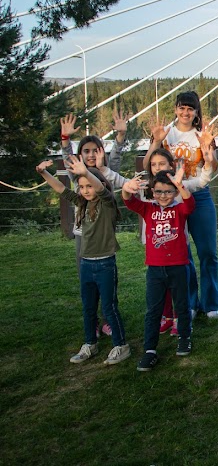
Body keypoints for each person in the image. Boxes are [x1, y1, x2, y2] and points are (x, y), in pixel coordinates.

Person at [37, 156, 129, 366]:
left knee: (109, 307)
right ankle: (90, 344)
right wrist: (43, 173)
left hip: (105, 264)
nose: (86, 190)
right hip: (86, 264)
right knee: (88, 307)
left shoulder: (107, 203)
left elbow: (101, 190)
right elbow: (60, 188)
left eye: (89, 186)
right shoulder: (82, 203)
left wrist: (86, 172)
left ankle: (121, 345)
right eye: (82, 187)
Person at [149, 91, 218, 318]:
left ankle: (211, 303)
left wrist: (209, 152)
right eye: (182, 107)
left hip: (199, 194)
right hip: (174, 199)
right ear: (175, 109)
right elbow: (149, 162)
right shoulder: (166, 134)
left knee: (208, 251)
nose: (186, 112)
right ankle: (190, 302)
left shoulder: (202, 135)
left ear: (196, 112)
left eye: (190, 108)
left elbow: (213, 166)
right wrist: (157, 140)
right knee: (183, 253)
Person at [60, 108, 128, 338]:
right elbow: (67, 158)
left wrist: (120, 136)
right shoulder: (77, 174)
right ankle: (94, 320)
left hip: (103, 234)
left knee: (107, 279)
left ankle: (109, 318)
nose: (90, 155)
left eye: (95, 150)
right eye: (86, 151)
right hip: (82, 234)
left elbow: (115, 157)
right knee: (86, 279)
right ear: (80, 154)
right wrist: (65, 139)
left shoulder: (106, 172)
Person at [121, 165, 194, 372]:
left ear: (175, 192)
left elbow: (190, 205)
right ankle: (150, 350)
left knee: (182, 305)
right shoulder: (148, 209)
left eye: (168, 191)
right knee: (153, 310)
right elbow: (128, 201)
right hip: (155, 269)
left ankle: (184, 337)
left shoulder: (179, 209)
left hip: (178, 266)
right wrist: (126, 188)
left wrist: (180, 186)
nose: (163, 196)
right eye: (159, 191)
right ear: (152, 191)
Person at [140, 147, 214, 335]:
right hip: (155, 244)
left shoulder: (181, 184)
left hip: (176, 243)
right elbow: (125, 189)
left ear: (171, 165)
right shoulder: (146, 186)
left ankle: (180, 316)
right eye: (153, 165)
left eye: (162, 164)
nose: (157, 168)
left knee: (178, 283)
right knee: (160, 284)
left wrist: (207, 160)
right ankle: (166, 316)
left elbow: (202, 180)